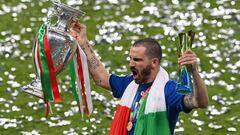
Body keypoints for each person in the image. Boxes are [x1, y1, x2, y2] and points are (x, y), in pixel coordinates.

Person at [70, 22, 209, 135]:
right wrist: (83, 43)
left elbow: (200, 102)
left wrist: (194, 71)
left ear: (154, 62)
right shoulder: (130, 84)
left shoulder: (169, 90)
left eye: (137, 60)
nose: (131, 64)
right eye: (130, 58)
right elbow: (102, 79)